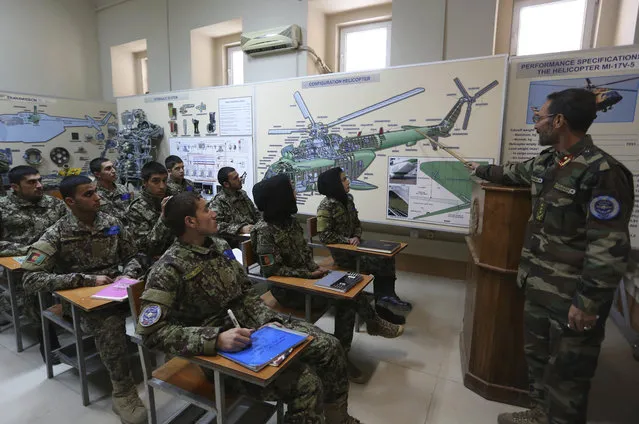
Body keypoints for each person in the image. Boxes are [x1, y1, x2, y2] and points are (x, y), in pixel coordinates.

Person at [469, 89, 634, 424]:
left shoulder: (603, 172)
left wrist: (588, 302)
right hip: (538, 285)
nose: (536, 126)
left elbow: (609, 246)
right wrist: (481, 169)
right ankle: (540, 414)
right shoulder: (549, 162)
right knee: (538, 361)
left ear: (559, 121)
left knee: (569, 379)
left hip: (572, 297)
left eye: (539, 118)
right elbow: (512, 173)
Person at [137, 191, 363, 423]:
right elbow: (151, 334)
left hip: (256, 327)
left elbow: (244, 291)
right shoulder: (168, 269)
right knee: (306, 383)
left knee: (330, 348)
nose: (214, 213)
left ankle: (338, 419)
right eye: (206, 209)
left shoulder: (219, 245)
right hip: (219, 353)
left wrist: (266, 319)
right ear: (190, 222)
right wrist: (215, 339)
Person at [251, 174, 404, 384]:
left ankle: (358, 337)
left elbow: (305, 257)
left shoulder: (290, 222)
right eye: (291, 190)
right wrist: (308, 274)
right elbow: (272, 271)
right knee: (346, 300)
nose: (295, 193)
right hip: (290, 291)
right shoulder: (264, 231)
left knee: (351, 285)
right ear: (280, 197)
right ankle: (361, 336)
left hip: (309, 279)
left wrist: (317, 270)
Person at [21, 175, 147, 424]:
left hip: (119, 290)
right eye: (88, 194)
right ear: (70, 201)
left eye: (95, 192)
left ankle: (189, 370)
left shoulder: (112, 223)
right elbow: (30, 279)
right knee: (109, 323)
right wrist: (84, 279)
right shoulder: (56, 233)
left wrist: (128, 273)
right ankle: (122, 391)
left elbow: (136, 255)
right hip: (83, 303)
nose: (97, 197)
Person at [316, 167, 411, 324]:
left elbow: (357, 224)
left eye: (346, 178)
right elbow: (325, 236)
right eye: (344, 179)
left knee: (388, 255)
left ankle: (386, 299)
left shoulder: (348, 200)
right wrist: (347, 241)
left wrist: (356, 236)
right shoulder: (326, 207)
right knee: (381, 261)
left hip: (356, 248)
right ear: (334, 184)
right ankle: (383, 307)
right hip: (343, 254)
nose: (348, 182)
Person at [0, 165, 67, 360]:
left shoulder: (54, 204)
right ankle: (48, 341)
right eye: (31, 182)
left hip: (57, 259)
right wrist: (30, 250)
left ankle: (84, 324)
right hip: (23, 265)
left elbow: (69, 229)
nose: (39, 186)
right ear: (15, 187)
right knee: (35, 289)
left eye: (39, 180)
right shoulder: (3, 208)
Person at [127, 161, 174, 267]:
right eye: (156, 181)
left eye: (164, 181)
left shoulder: (172, 197)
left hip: (174, 253)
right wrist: (163, 218)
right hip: (150, 261)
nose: (162, 186)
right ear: (145, 182)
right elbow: (146, 247)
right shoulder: (136, 209)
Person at [208, 167, 260, 240]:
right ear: (226, 184)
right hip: (235, 241)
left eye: (238, 176)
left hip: (252, 235)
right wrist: (240, 228)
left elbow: (255, 213)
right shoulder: (218, 201)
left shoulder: (242, 194)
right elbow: (215, 225)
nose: (240, 179)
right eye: (235, 178)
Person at [90, 157, 134, 224]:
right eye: (108, 168)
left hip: (130, 227)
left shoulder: (122, 188)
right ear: (97, 174)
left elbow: (130, 205)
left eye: (113, 167)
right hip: (109, 230)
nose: (113, 171)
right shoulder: (93, 194)